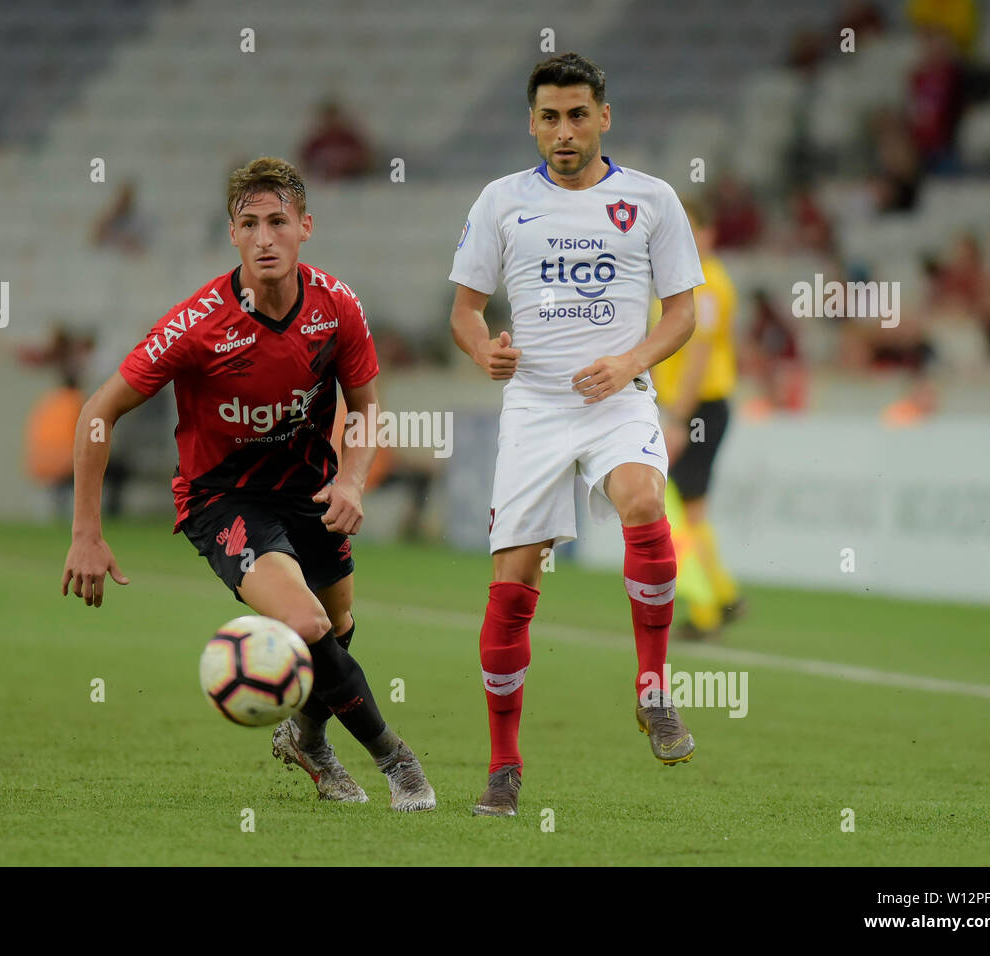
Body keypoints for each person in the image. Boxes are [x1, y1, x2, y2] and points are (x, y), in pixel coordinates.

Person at [61, 157, 435, 812]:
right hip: (224, 499)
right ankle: (397, 762)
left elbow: (369, 405)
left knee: (338, 623)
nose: (265, 237)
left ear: (304, 227)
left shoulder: (336, 307)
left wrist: (352, 479)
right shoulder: (196, 325)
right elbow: (98, 413)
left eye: (278, 222)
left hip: (312, 490)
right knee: (304, 618)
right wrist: (86, 532)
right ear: (232, 234)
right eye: (250, 223)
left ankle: (308, 739)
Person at [449, 53, 704, 817]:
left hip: (617, 398)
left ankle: (654, 688)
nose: (565, 132)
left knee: (643, 503)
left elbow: (685, 312)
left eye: (578, 114)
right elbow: (464, 310)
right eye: (550, 117)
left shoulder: (651, 200)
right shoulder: (500, 202)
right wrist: (482, 348)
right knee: (513, 581)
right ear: (532, 123)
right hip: (533, 407)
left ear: (605, 117)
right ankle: (503, 766)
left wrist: (631, 359)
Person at [652, 199, 745, 640]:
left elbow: (698, 357)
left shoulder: (708, 286)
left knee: (681, 511)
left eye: (694, 230)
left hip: (698, 409)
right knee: (687, 510)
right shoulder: (683, 282)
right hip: (689, 408)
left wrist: (675, 419)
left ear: (709, 235)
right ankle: (721, 596)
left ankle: (710, 605)